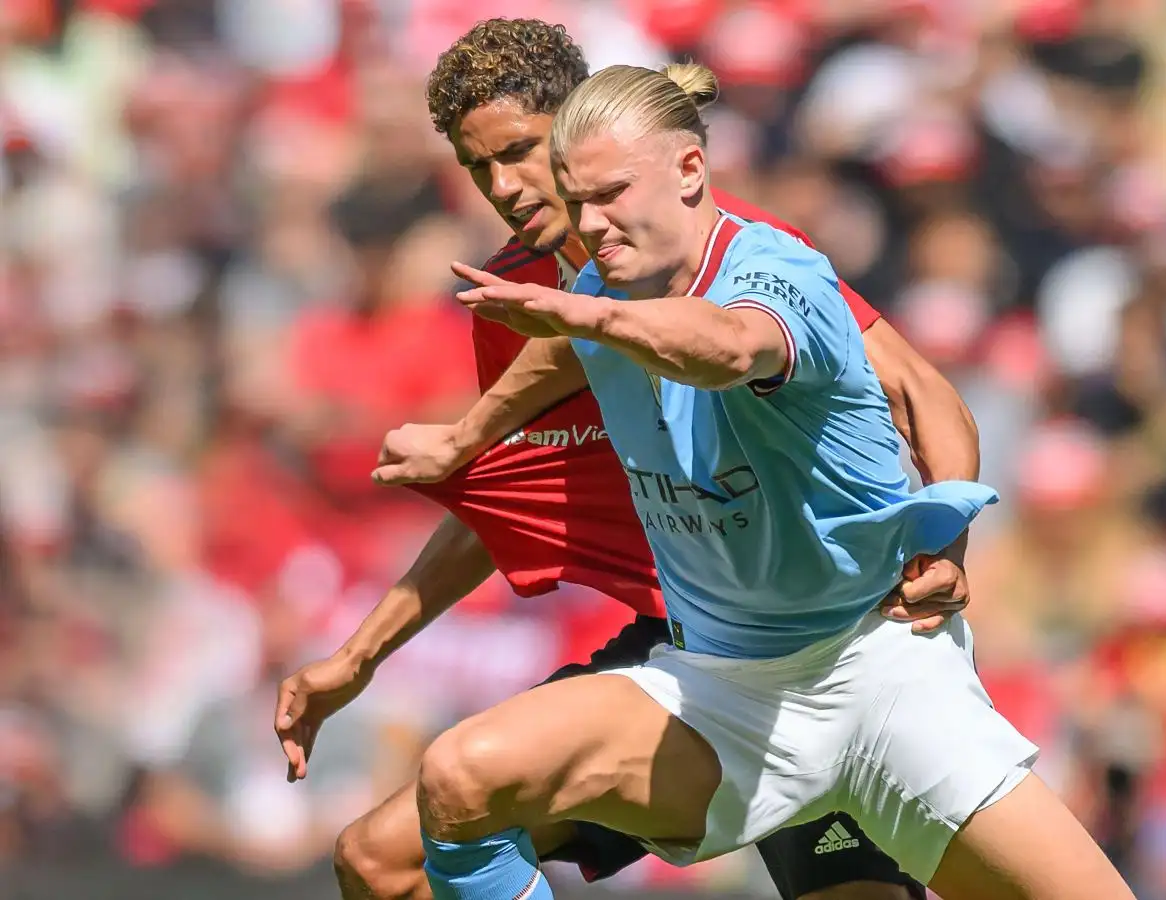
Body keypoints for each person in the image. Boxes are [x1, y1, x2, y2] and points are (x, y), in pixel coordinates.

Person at [274, 18, 978, 900]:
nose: (502, 185)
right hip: (680, 661)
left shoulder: (724, 245)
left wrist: (946, 544)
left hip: (819, 642)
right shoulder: (516, 298)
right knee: (383, 861)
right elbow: (519, 506)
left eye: (520, 151)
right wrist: (360, 657)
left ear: (577, 123)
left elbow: (922, 388)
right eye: (476, 165)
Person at [412, 61, 1135, 900]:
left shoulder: (776, 271)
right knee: (458, 778)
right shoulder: (595, 291)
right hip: (723, 693)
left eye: (612, 194)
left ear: (691, 169)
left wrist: (947, 539)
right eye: (579, 204)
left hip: (879, 676)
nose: (593, 224)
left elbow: (725, 349)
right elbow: (562, 346)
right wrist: (467, 437)